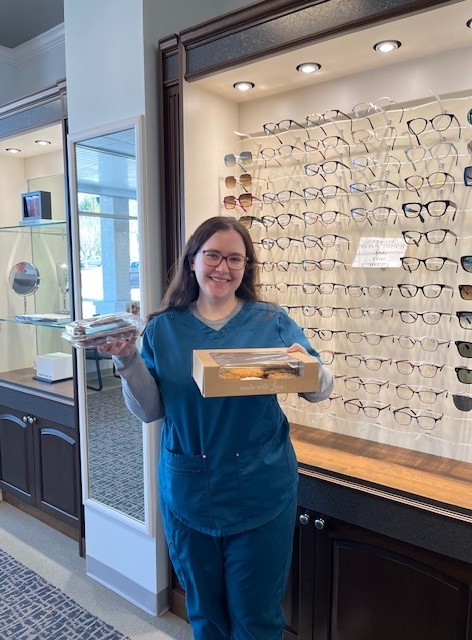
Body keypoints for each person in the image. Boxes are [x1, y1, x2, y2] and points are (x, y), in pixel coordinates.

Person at [98, 215, 334, 640]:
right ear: (192, 261)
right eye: (212, 256)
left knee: (257, 618)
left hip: (261, 489)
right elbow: (150, 411)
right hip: (189, 489)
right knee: (205, 614)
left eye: (235, 259)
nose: (223, 268)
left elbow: (319, 391)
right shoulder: (163, 328)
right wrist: (126, 360)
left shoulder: (271, 321)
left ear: (246, 267)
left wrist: (308, 367)